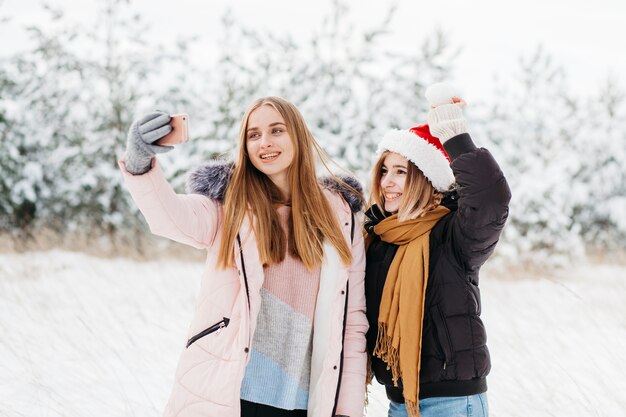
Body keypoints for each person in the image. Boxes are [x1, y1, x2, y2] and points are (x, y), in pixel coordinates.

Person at [119, 96, 368, 417]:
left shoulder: (340, 215)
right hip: (233, 391)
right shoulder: (229, 205)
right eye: (254, 135)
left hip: (308, 400)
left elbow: (352, 321)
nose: (264, 142)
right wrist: (141, 165)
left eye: (276, 130)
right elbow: (171, 217)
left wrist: (348, 409)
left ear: (299, 137)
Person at [363, 83, 511, 417]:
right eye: (384, 170)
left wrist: (453, 133)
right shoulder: (377, 239)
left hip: (452, 402)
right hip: (399, 402)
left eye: (401, 172)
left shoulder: (454, 235)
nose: (387, 181)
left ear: (426, 179)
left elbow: (491, 200)